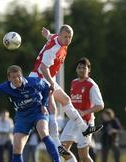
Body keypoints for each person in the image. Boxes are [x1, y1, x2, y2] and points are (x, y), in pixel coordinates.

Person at [29, 25, 103, 157]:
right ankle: (58, 142)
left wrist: (47, 34)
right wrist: (51, 83)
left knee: (64, 102)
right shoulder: (54, 48)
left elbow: (52, 37)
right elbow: (43, 67)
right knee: (52, 109)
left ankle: (83, 129)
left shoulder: (58, 39)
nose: (68, 40)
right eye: (66, 37)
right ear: (60, 35)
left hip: (47, 78)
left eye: (70, 37)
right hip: (40, 79)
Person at [0, 65, 61, 162]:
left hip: (38, 111)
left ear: (22, 75)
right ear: (9, 78)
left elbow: (46, 88)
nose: (17, 79)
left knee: (43, 132)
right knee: (16, 148)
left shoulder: (34, 82)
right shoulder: (6, 87)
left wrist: (43, 104)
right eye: (13, 77)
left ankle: (57, 160)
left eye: (19, 76)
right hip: (22, 116)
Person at [59, 57, 104, 162]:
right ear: (76, 69)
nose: (81, 70)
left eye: (84, 68)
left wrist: (84, 112)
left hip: (86, 123)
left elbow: (100, 105)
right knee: (61, 149)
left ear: (89, 70)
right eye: (79, 67)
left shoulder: (91, 85)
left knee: (83, 156)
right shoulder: (74, 82)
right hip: (73, 121)